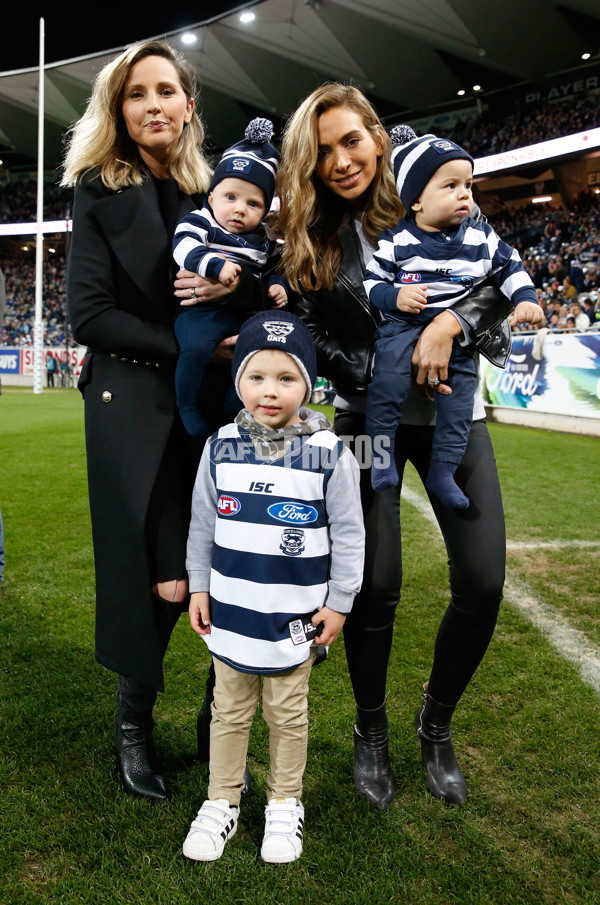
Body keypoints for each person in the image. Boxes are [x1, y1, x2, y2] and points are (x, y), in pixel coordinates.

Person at [277, 82, 537, 809]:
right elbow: (312, 337)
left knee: (483, 581)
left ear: (379, 137)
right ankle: (370, 733)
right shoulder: (312, 237)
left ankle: (437, 721)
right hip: (365, 421)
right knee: (375, 582)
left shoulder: (440, 195)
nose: (339, 159)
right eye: (322, 150)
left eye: (350, 140)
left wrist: (446, 326)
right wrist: (379, 365)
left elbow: (500, 283)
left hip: (458, 414)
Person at [62, 40, 269, 801]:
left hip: (214, 406)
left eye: (167, 90)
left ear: (189, 105)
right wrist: (207, 350)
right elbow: (90, 315)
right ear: (118, 109)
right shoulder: (96, 187)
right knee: (159, 578)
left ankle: (224, 731)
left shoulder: (215, 193)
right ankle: (133, 727)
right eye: (136, 92)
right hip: (130, 404)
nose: (153, 103)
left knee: (230, 562)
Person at [181, 310, 364, 863]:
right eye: (257, 376)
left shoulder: (330, 452)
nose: (270, 391)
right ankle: (223, 800)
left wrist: (339, 603)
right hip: (232, 614)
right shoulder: (219, 445)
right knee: (229, 711)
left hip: (295, 619)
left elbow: (350, 534)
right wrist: (197, 587)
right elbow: (203, 525)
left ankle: (285, 802)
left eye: (287, 379)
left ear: (307, 386)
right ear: (239, 380)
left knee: (287, 713)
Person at [363, 126, 542, 507]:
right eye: (450, 186)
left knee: (460, 402)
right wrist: (395, 296)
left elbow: (511, 268)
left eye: (468, 184)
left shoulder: (482, 238)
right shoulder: (397, 240)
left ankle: (443, 472)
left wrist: (526, 297)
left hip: (459, 341)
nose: (464, 193)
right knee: (388, 383)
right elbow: (372, 285)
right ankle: (380, 457)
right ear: (416, 202)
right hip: (401, 329)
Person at [172, 118, 288, 437]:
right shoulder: (202, 221)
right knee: (194, 349)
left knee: (258, 356)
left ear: (265, 211)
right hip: (200, 313)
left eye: (253, 203)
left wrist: (278, 284)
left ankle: (235, 402)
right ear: (211, 197)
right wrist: (213, 266)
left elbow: (273, 268)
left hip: (242, 317)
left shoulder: (263, 239)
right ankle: (187, 405)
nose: (240, 209)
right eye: (231, 198)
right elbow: (182, 247)